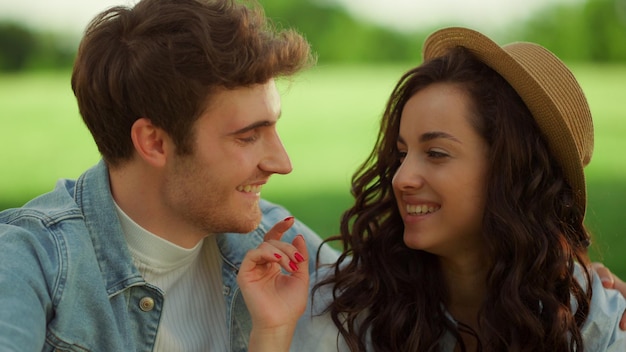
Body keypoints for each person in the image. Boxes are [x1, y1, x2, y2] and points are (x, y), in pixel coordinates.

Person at [0, 0, 339, 351]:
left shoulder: (280, 244)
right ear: (155, 143)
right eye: (248, 136)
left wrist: (270, 338)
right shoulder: (29, 261)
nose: (282, 163)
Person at [312, 27, 626, 351]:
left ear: (510, 171)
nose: (401, 178)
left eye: (435, 153)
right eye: (402, 154)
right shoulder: (359, 301)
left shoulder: (593, 324)